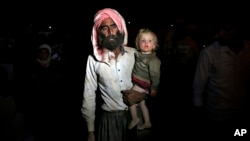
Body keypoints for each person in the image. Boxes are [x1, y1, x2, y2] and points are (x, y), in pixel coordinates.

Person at [81, 8, 147, 141]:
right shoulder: (93, 60)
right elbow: (88, 95)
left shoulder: (135, 54)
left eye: (114, 26)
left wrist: (142, 94)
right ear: (99, 33)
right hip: (110, 120)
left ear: (120, 28)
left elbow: (150, 84)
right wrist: (90, 131)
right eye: (105, 28)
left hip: (137, 116)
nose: (110, 32)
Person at [192, 23, 250, 137]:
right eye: (220, 29)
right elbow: (198, 84)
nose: (220, 34)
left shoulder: (248, 50)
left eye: (227, 29)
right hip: (217, 115)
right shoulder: (210, 53)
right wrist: (198, 111)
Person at [127, 28, 161, 130]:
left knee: (130, 99)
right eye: (143, 41)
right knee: (142, 104)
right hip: (138, 82)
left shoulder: (153, 60)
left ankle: (135, 118)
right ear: (138, 43)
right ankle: (147, 122)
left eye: (150, 41)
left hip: (142, 84)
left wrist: (154, 88)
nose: (146, 43)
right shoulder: (140, 54)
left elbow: (155, 75)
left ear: (154, 45)